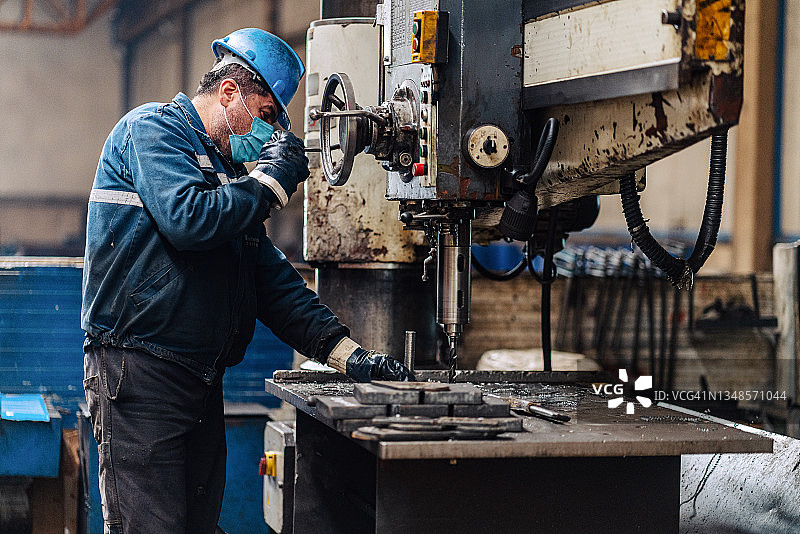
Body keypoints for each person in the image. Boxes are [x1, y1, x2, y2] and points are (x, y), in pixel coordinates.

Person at [81, 28, 414, 534]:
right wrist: (270, 183)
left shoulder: (228, 176)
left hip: (197, 380)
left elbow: (271, 282)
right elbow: (188, 219)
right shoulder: (152, 131)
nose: (268, 131)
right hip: (140, 376)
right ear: (229, 92)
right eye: (265, 114)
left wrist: (350, 356)